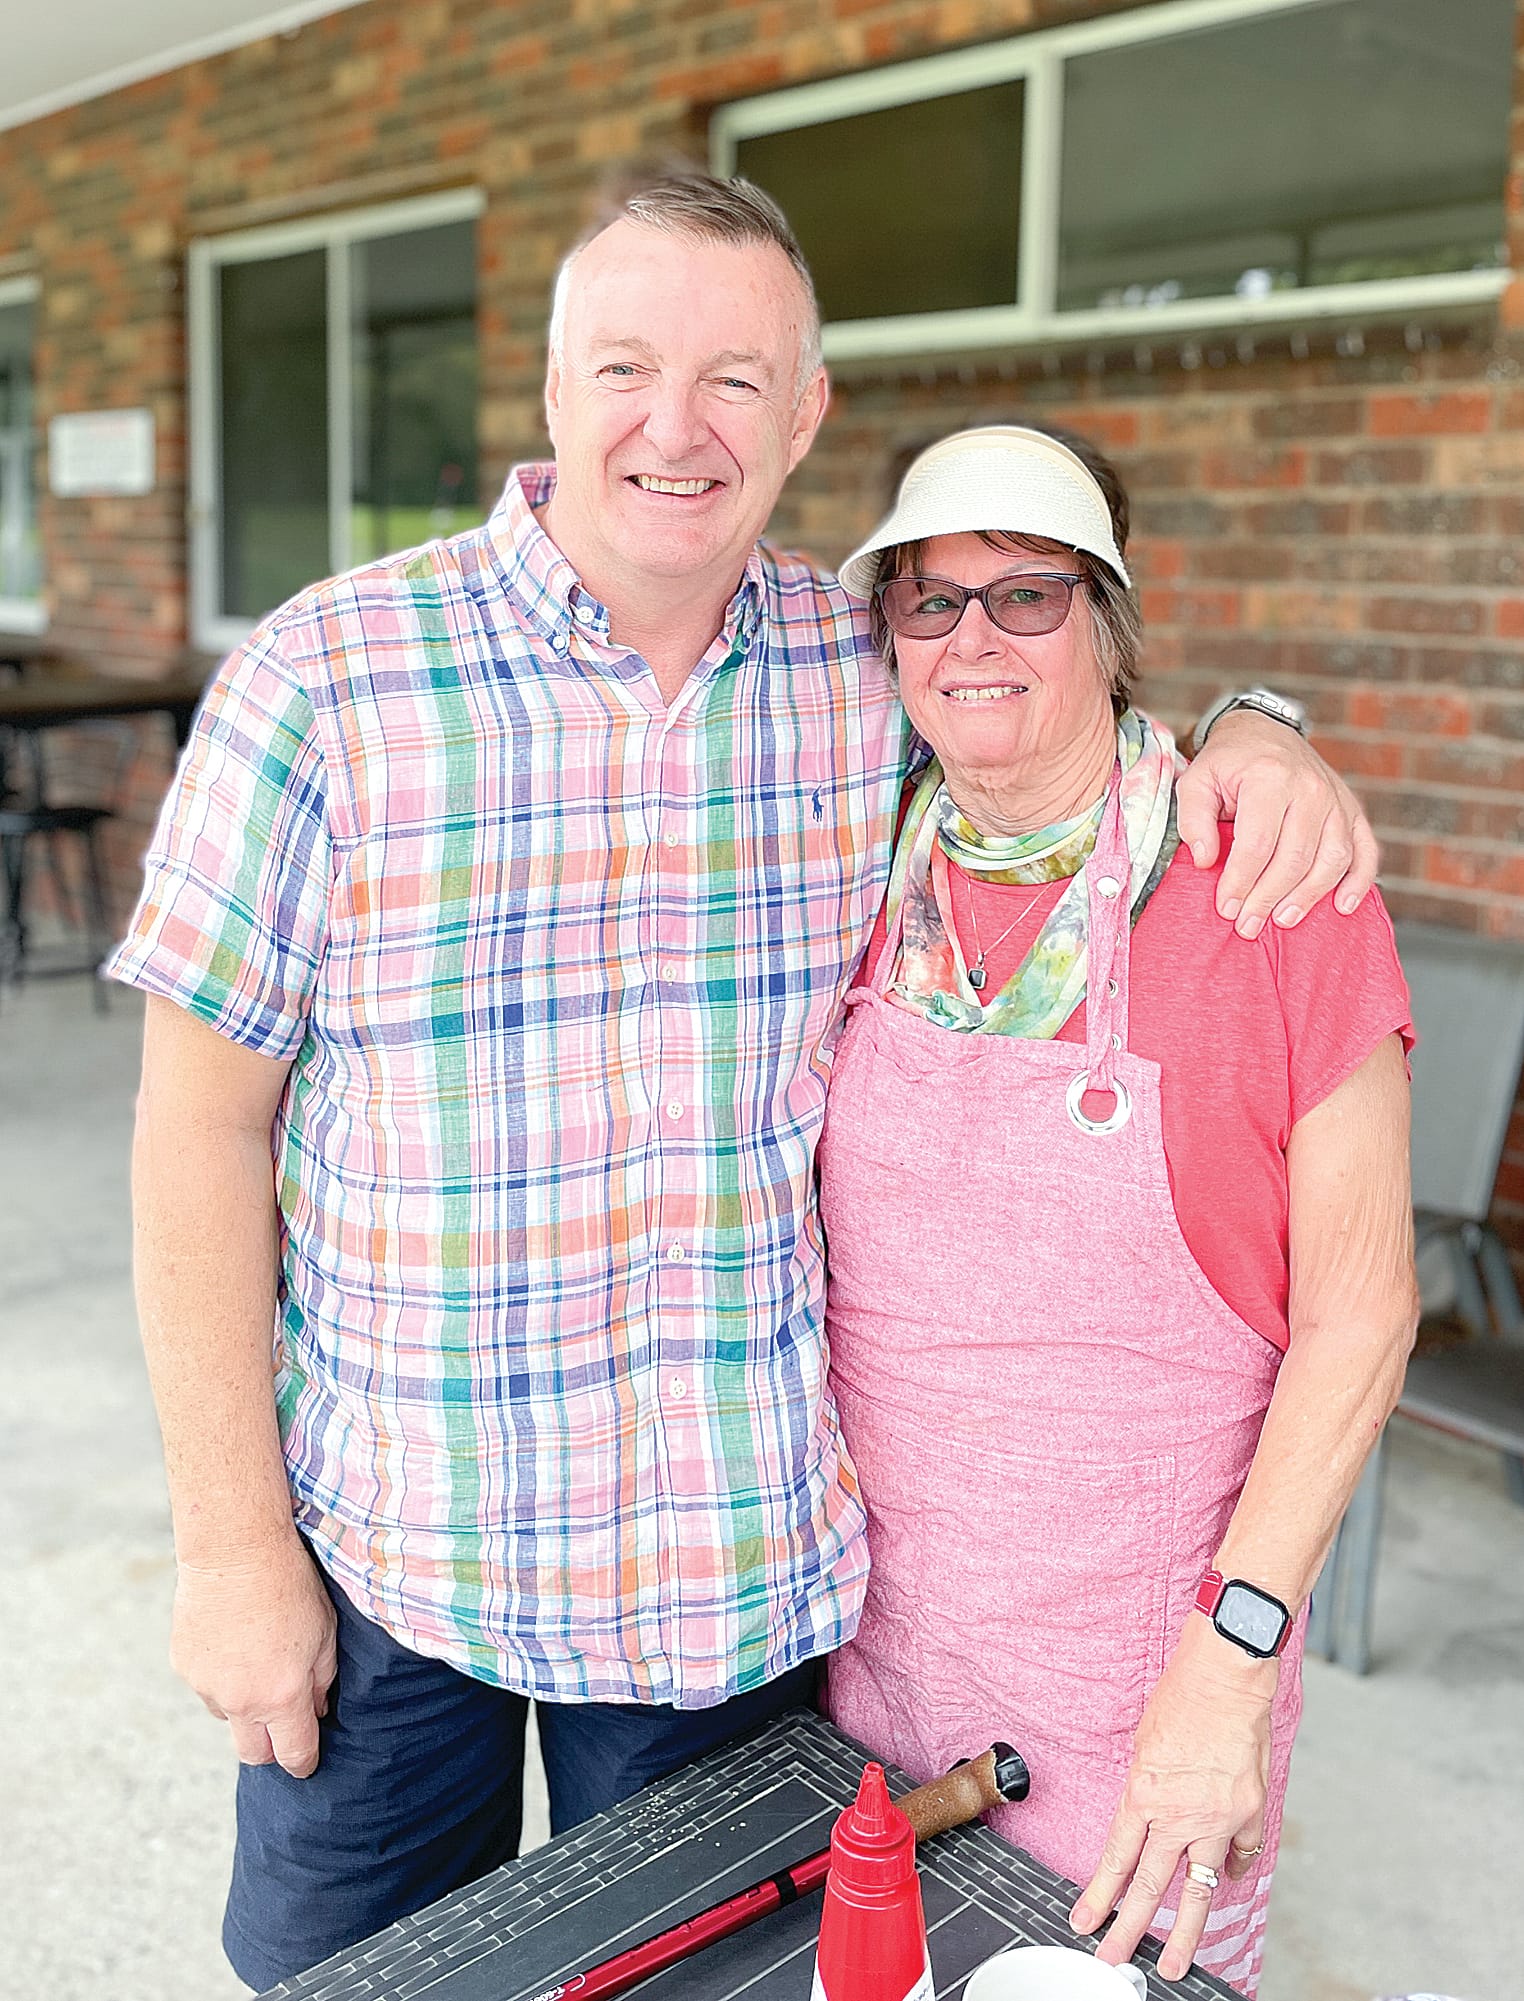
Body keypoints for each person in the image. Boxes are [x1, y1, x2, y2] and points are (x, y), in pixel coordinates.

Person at [107, 171, 1380, 1989]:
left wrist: (1264, 726)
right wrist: (232, 1547)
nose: (674, 426)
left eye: (734, 377)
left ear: (805, 417)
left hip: (723, 1580)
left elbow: (1061, 700)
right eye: (626, 366)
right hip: (400, 1553)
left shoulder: (860, 674)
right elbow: (198, 1129)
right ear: (551, 392)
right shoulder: (326, 679)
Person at [818, 423, 1418, 1997]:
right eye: (931, 601)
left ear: (1110, 619)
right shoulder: (849, 864)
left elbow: (1362, 1313)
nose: (973, 640)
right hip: (868, 1661)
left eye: (1028, 596)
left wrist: (1234, 1665)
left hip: (1147, 1685)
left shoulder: (1276, 891)